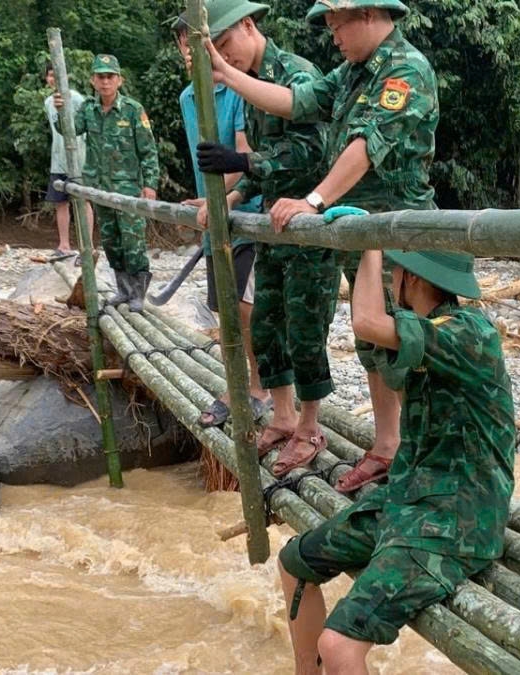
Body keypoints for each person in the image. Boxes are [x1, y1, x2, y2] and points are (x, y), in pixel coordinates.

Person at [204, 0, 439, 492]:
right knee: (374, 341)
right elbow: (296, 101)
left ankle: (420, 456)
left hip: (401, 235)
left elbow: (367, 146)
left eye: (337, 25)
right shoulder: (352, 73)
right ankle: (388, 447)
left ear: (370, 16)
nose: (333, 36)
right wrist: (226, 73)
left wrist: (314, 198)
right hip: (361, 231)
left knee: (410, 342)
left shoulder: (404, 70)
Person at [277, 248, 515, 674]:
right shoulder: (430, 332)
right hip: (408, 501)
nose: (392, 279)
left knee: (338, 644)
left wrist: (369, 247)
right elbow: (376, 337)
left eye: (397, 272)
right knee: (294, 562)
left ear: (416, 279)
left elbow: (366, 322)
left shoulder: (468, 334)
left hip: (455, 522)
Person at [193, 0, 338, 472]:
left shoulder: (294, 74)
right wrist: (231, 198)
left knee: (305, 327)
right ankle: (282, 414)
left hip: (308, 225)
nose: (224, 56)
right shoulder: (251, 88)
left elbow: (312, 149)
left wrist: (244, 163)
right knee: (271, 322)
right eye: (213, 49)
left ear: (249, 26)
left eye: (225, 43)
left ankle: (311, 426)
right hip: (274, 226)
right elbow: (263, 164)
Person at [172, 12, 271, 426]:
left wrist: (222, 199)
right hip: (216, 215)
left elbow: (243, 157)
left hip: (248, 210)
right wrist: (208, 200)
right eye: (184, 45)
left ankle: (259, 388)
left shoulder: (239, 88)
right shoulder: (187, 98)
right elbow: (204, 159)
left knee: (247, 305)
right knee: (222, 306)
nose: (193, 52)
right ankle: (238, 383)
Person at [54, 54, 159, 312]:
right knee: (111, 241)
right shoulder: (88, 109)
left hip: (128, 189)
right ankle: (123, 291)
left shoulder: (133, 110)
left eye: (110, 76)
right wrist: (60, 111)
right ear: (92, 80)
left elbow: (148, 151)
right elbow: (70, 130)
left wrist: (151, 185)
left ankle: (137, 294)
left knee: (132, 242)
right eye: (100, 76)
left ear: (119, 80)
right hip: (100, 188)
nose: (105, 82)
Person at [43, 64, 93, 262]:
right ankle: (64, 245)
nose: (53, 79)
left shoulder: (78, 99)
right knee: (60, 202)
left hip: (79, 159)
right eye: (50, 75)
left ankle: (86, 246)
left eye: (56, 75)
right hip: (58, 159)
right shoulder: (48, 102)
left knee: (83, 200)